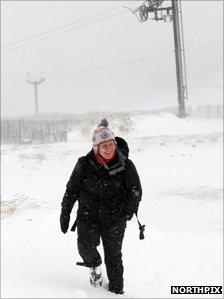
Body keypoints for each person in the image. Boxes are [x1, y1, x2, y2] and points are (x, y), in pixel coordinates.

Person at [60, 119, 142, 295]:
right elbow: (71, 190)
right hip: (88, 216)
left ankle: (116, 292)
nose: (108, 148)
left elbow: (135, 191)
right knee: (85, 246)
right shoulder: (83, 164)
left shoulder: (126, 165)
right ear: (96, 147)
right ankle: (95, 267)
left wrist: (125, 214)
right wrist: (65, 213)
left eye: (111, 144)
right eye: (103, 145)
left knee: (113, 257)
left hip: (115, 219)